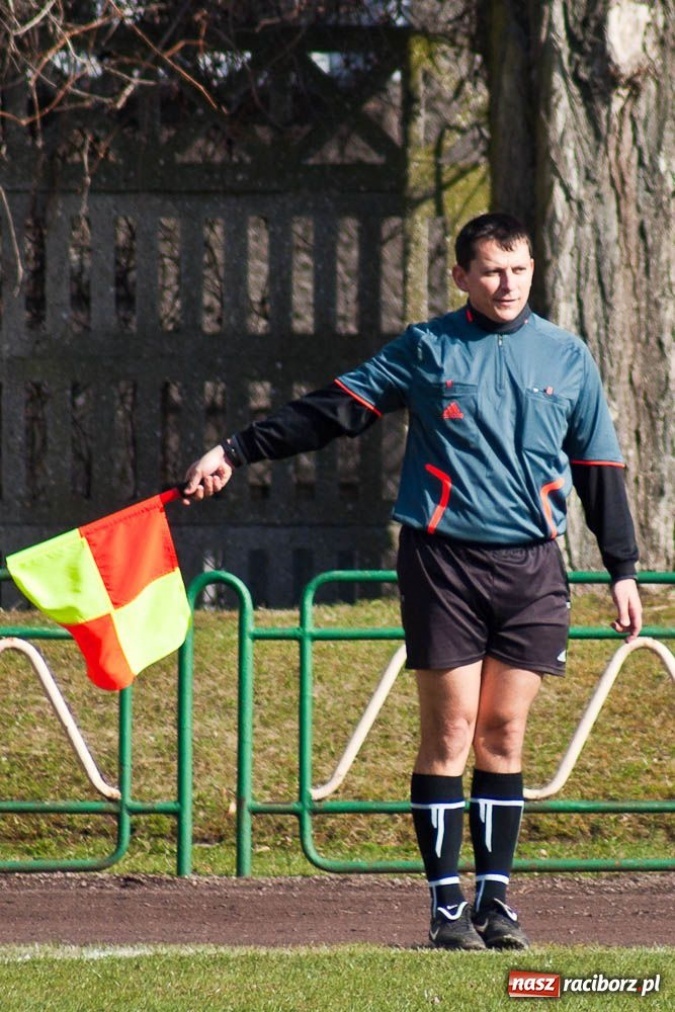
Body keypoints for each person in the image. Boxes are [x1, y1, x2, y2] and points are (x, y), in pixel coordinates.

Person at [182, 212, 642, 951]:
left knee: (504, 731)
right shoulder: (427, 348)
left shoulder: (566, 355)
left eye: (518, 269)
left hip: (532, 566)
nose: (506, 283)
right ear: (460, 275)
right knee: (453, 728)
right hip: (443, 562)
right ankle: (445, 905)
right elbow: (332, 411)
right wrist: (236, 449)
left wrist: (621, 569)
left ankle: (495, 903)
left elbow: (598, 467)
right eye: (491, 270)